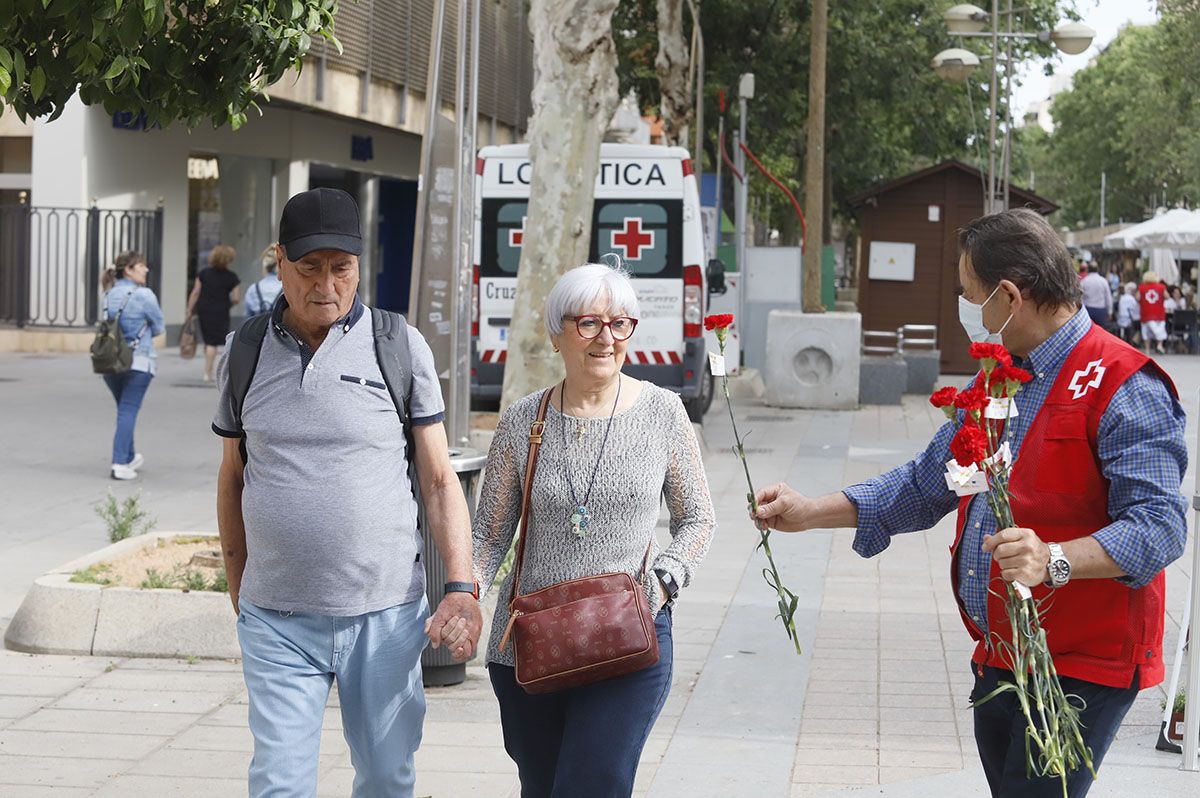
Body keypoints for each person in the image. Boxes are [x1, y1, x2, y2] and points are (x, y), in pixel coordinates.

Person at [751, 209, 1187, 798]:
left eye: (969, 295)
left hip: (1083, 662)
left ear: (1010, 296)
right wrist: (811, 511)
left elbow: (1159, 528)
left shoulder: (1122, 384)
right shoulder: (997, 380)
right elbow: (928, 483)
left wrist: (1054, 558)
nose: (966, 310)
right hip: (1003, 653)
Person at [211, 187, 482, 797]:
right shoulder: (245, 351)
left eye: (342, 269)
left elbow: (440, 479)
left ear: (360, 265)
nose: (327, 285)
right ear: (279, 260)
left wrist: (462, 587)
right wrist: (241, 589)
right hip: (277, 617)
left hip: (384, 615)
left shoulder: (398, 344)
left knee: (387, 777)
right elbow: (231, 477)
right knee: (279, 784)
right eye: (309, 268)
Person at [471, 262, 715, 798]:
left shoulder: (663, 413)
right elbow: (489, 535)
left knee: (592, 785)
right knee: (542, 788)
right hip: (531, 646)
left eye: (620, 323)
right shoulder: (522, 421)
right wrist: (466, 597)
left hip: (628, 636)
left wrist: (663, 584)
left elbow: (698, 517)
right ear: (556, 333)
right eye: (588, 323)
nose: (606, 338)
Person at [100, 252, 165, 481]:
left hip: (109, 362)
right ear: (128, 269)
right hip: (139, 361)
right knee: (128, 410)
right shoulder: (144, 295)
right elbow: (158, 327)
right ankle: (119, 463)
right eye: (141, 266)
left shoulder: (107, 294)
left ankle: (128, 456)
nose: (146, 269)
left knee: (125, 410)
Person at [187, 244, 241, 382]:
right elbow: (236, 298)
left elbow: (195, 292)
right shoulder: (232, 277)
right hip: (221, 310)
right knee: (215, 341)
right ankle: (209, 371)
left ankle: (207, 371)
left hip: (204, 309)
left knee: (208, 340)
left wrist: (189, 309)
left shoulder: (204, 273)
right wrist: (228, 304)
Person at [244, 245, 283, 316]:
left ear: (264, 267)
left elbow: (247, 319)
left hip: (257, 326)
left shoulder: (253, 289)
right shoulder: (287, 288)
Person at [1138, 270, 1168, 355]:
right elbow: (1167, 296)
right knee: (1160, 329)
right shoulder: (1161, 287)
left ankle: (1147, 349)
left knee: (1146, 332)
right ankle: (1159, 344)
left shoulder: (1142, 287)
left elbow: (1137, 297)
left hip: (1146, 313)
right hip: (1159, 313)